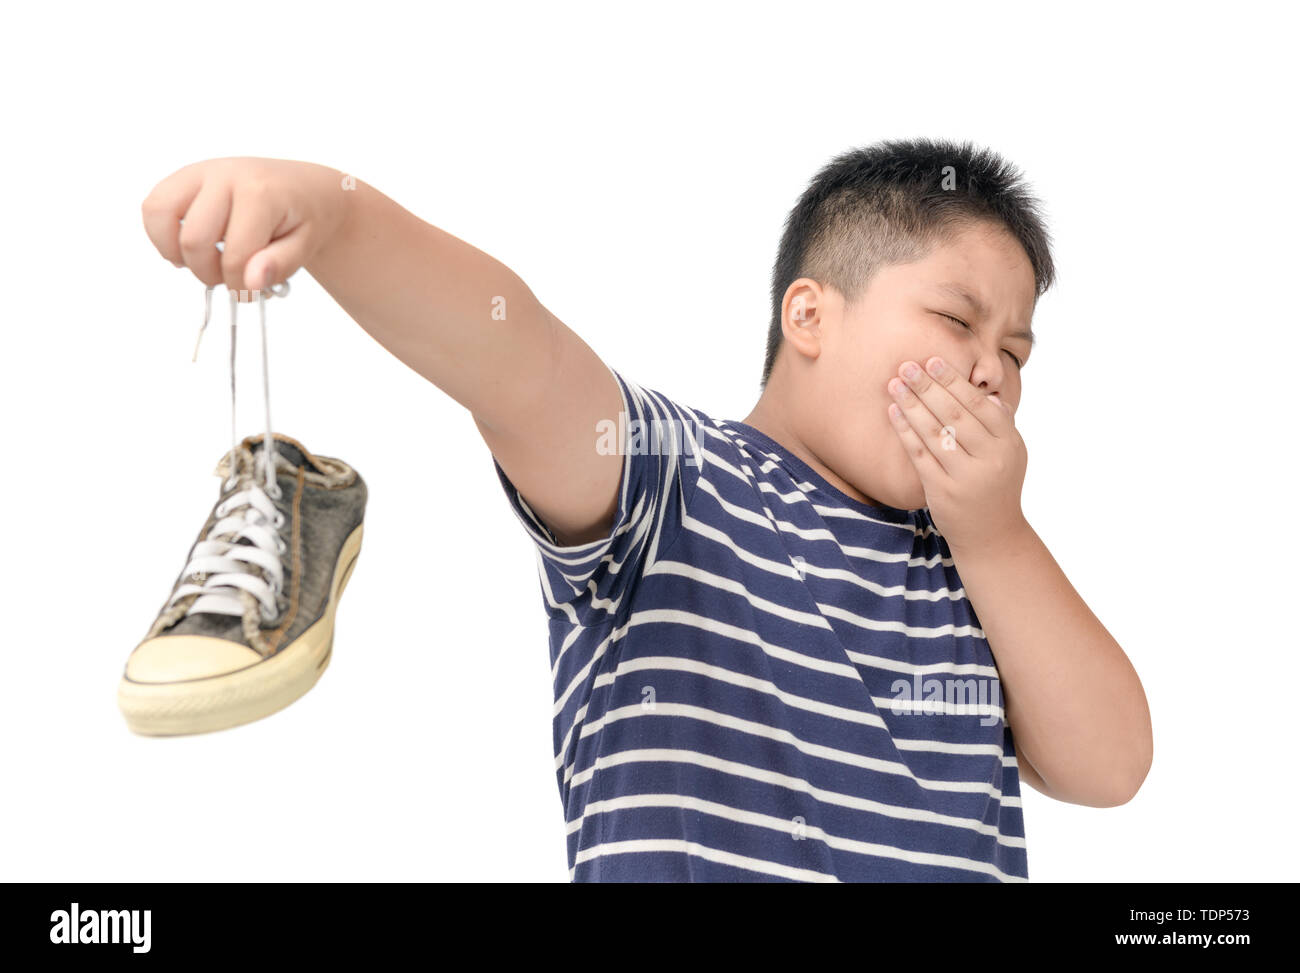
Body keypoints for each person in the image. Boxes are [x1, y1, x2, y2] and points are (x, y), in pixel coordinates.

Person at [140, 138, 1152, 881]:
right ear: (809, 315)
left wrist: (995, 533)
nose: (987, 370)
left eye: (1014, 355)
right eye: (954, 319)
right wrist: (341, 215)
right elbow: (519, 357)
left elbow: (1109, 768)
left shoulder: (978, 573)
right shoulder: (681, 482)